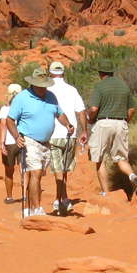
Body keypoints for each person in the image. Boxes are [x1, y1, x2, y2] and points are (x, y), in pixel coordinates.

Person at [4, 69, 72, 218]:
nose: (43, 88)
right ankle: (36, 208)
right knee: (36, 172)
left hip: (46, 143)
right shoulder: (22, 98)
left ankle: (30, 207)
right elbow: (9, 120)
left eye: (44, 85)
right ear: (33, 84)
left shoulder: (51, 96)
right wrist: (16, 137)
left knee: (38, 175)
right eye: (40, 85)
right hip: (29, 140)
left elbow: (59, 114)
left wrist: (67, 124)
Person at [85, 63, 137, 200]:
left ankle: (106, 194)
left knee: (99, 159)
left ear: (101, 73)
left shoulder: (100, 86)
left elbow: (93, 109)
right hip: (121, 123)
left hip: (104, 123)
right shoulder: (123, 86)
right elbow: (132, 109)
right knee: (121, 159)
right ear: (112, 72)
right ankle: (132, 176)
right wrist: (125, 121)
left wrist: (89, 119)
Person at [45, 61, 87, 216]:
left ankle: (59, 199)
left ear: (50, 73)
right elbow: (81, 111)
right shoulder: (72, 90)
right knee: (64, 170)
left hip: (53, 134)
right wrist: (84, 131)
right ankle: (64, 198)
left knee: (58, 169)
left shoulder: (46, 90)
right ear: (63, 72)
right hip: (71, 135)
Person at [0, 82, 24, 203]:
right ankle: (25, 196)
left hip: (9, 143)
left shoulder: (5, 109)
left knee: (9, 171)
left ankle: (9, 197)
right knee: (24, 170)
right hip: (23, 141)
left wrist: (2, 143)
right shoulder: (24, 108)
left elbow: (3, 126)